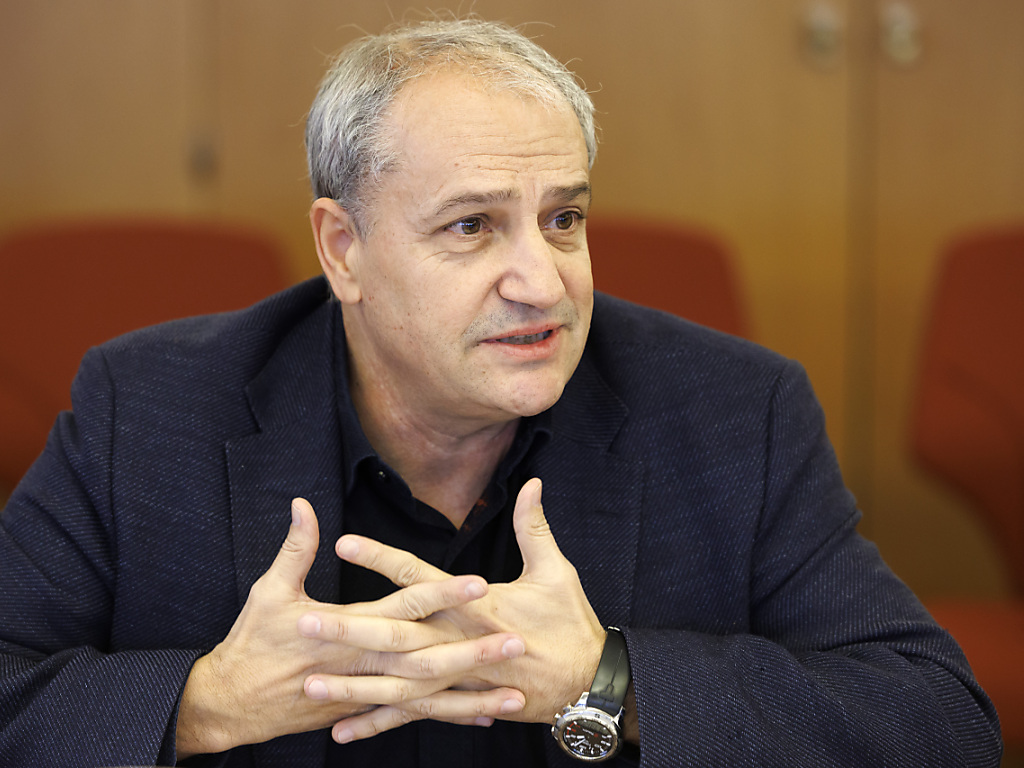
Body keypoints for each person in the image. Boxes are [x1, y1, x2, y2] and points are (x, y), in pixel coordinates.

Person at [0, 17, 1002, 768]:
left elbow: (938, 721)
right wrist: (206, 702)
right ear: (343, 250)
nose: (543, 281)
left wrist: (609, 681)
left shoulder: (734, 412)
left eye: (563, 220)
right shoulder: (153, 407)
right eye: (473, 226)